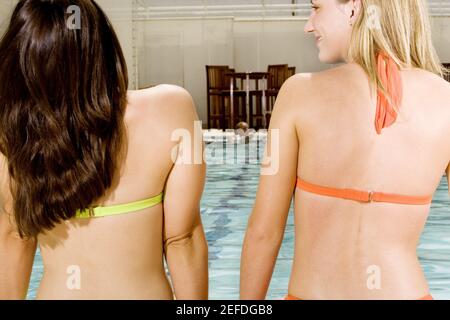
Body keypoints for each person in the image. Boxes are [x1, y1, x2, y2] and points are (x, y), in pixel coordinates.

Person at [241, 0, 450, 300]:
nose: (308, 25)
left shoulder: (300, 94)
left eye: (316, 8)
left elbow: (264, 233)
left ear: (353, 8)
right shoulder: (446, 102)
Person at [0, 0, 208, 300]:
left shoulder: (15, 134)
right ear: (102, 46)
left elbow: (15, 238)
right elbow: (182, 239)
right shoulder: (171, 109)